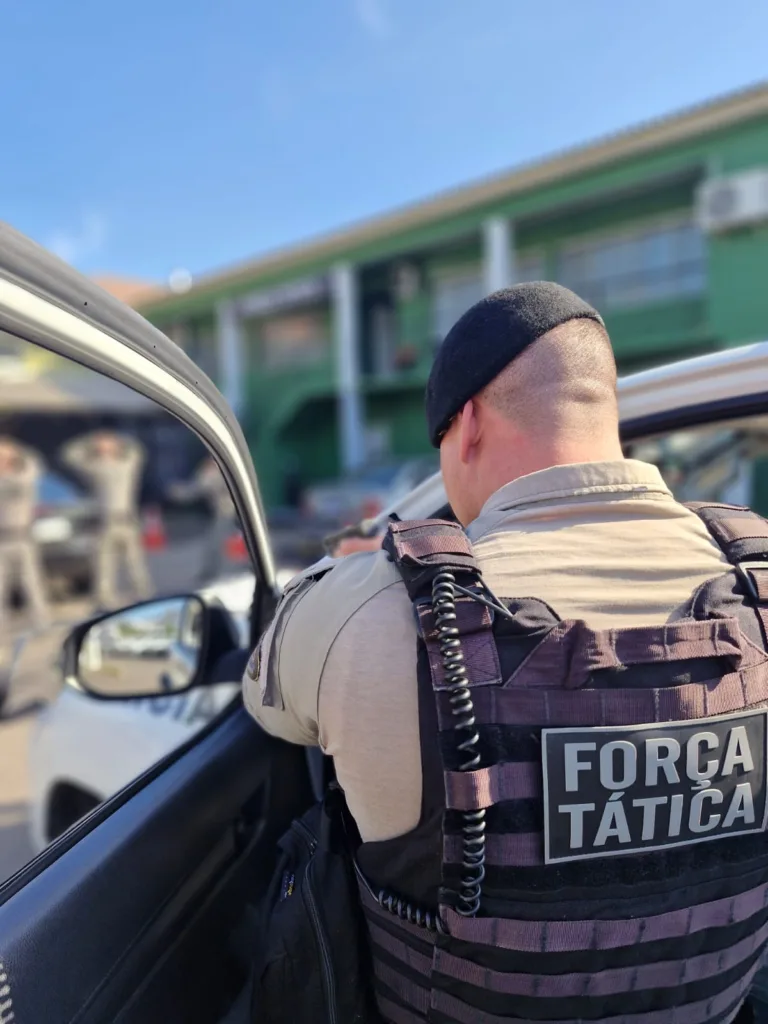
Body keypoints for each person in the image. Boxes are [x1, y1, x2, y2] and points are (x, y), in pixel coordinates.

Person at [243, 283, 768, 1023]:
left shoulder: (372, 606)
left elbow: (265, 699)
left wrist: (344, 572)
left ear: (466, 426)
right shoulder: (759, 582)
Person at [61, 430, 152, 609]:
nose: (106, 446)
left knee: (135, 563)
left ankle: (144, 595)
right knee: (104, 564)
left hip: (126, 520)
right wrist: (91, 442)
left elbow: (138, 450)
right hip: (105, 522)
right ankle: (105, 600)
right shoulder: (94, 467)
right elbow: (69, 455)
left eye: (108, 443)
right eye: (103, 444)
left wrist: (118, 441)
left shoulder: (127, 464)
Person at [0, 437, 49, 633]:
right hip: (2, 539)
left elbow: (35, 464)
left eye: (5, 457)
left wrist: (16, 451)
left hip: (23, 536)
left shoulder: (25, 476)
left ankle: (41, 623)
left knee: (31, 583)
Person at [168, 456, 237, 583]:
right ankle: (213, 572)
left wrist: (176, 493)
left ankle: (214, 573)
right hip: (225, 511)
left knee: (215, 542)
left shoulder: (215, 473)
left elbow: (194, 489)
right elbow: (196, 488)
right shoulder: (218, 471)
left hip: (226, 511)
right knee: (216, 541)